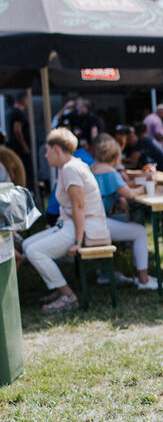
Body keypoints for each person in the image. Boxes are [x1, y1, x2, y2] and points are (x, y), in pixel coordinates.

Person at [21, 127, 110, 312]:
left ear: (57, 149)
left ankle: (68, 295)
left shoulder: (70, 169)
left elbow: (79, 207)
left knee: (34, 251)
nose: (45, 156)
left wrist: (78, 242)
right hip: (71, 224)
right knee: (27, 245)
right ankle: (57, 287)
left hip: (84, 227)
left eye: (47, 150)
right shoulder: (68, 167)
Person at [90, 134, 163, 290]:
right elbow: (129, 194)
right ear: (116, 156)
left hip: (90, 221)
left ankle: (107, 272)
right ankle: (143, 279)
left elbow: (122, 188)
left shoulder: (93, 169)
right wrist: (146, 186)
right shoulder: (110, 172)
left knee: (126, 221)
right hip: (97, 223)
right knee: (140, 231)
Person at [7, 92, 32, 187]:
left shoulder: (13, 112)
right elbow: (17, 130)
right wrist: (24, 146)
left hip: (18, 148)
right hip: (20, 150)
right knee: (24, 171)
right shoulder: (18, 113)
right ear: (24, 100)